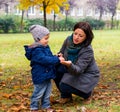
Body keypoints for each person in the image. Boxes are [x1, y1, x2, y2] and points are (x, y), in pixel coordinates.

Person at [54, 22, 100, 104]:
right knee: (55, 69)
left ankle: (87, 94)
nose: (76, 37)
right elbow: (61, 52)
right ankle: (66, 97)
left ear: (86, 37)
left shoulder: (87, 49)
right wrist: (59, 55)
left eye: (80, 36)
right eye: (75, 33)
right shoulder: (68, 40)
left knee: (64, 84)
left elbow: (78, 70)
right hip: (71, 68)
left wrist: (69, 64)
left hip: (87, 74)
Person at [24, 25, 64, 112]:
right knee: (38, 92)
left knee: (47, 92)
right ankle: (34, 107)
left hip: (47, 74)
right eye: (45, 38)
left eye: (48, 38)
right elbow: (45, 59)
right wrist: (57, 59)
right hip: (40, 75)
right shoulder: (36, 50)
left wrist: (55, 56)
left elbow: (48, 57)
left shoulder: (45, 47)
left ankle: (46, 106)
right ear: (38, 38)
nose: (47, 40)